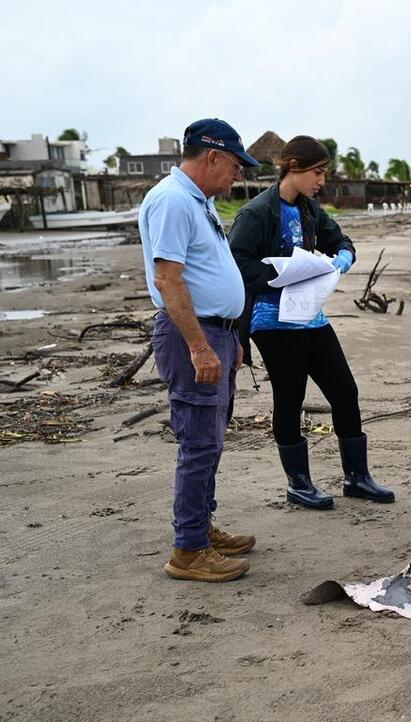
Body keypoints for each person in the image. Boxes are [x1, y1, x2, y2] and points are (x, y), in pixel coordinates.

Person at [228, 136, 393, 510]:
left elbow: (340, 238)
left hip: (310, 317)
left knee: (345, 392)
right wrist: (281, 274)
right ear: (293, 168)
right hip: (271, 320)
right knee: (290, 398)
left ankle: (357, 478)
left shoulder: (309, 209)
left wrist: (345, 255)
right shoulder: (256, 213)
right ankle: (299, 484)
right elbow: (236, 264)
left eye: (324, 173)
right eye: (317, 172)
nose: (321, 180)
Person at [139, 118, 260, 582]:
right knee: (199, 442)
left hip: (217, 334)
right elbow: (168, 278)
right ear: (212, 157)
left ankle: (201, 528)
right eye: (234, 165)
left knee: (210, 440)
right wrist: (200, 346)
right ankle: (188, 549)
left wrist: (229, 340)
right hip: (196, 335)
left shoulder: (196, 201)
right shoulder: (173, 201)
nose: (238, 175)